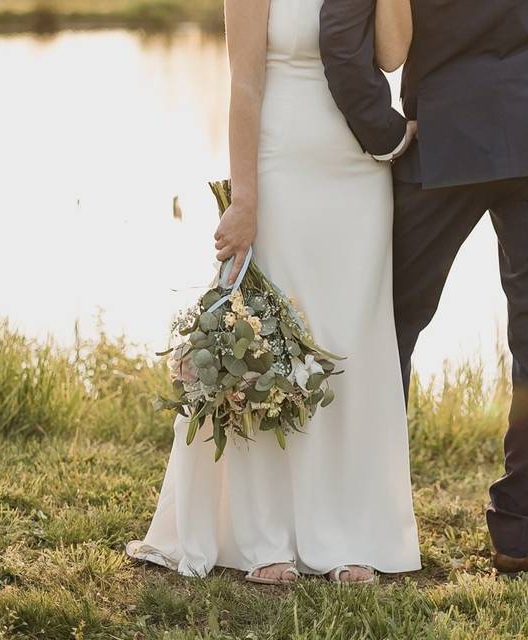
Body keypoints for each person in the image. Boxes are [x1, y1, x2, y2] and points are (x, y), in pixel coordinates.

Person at [320, 0, 528, 574]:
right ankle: (516, 533)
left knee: (387, 324)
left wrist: (379, 130)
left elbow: (347, 36)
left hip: (440, 133)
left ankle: (367, 514)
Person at [126, 0, 421, 585]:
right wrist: (245, 199)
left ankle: (350, 533)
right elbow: (244, 86)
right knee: (274, 343)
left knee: (350, 340)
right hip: (281, 166)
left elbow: (391, 55)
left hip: (358, 171)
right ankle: (263, 537)